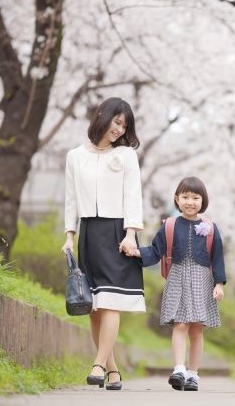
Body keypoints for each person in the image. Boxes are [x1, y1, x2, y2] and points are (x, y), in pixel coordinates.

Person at [61, 97, 144, 391]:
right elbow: (71, 198)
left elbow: (133, 195)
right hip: (88, 233)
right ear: (102, 116)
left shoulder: (126, 156)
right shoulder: (75, 156)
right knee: (94, 305)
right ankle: (112, 369)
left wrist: (131, 233)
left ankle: (97, 364)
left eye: (124, 126)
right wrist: (69, 236)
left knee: (111, 301)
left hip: (118, 231)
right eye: (117, 122)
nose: (120, 130)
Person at [133, 176, 226, 392]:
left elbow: (218, 257)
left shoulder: (211, 227)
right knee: (180, 324)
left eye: (195, 197)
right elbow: (156, 250)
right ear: (177, 199)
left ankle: (193, 374)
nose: (190, 201)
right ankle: (178, 369)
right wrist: (137, 252)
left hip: (203, 280)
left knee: (196, 329)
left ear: (203, 201)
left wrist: (219, 284)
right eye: (185, 197)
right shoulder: (170, 225)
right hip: (177, 278)